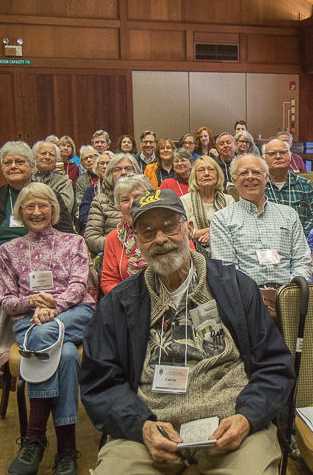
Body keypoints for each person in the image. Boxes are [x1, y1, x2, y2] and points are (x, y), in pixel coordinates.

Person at [80, 188, 295, 475]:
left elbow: (274, 365)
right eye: (147, 231)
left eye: (170, 226)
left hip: (229, 425)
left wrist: (247, 417)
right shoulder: (118, 303)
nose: (160, 239)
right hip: (149, 430)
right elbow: (100, 381)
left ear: (189, 228)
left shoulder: (235, 288)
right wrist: (140, 426)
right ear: (137, 240)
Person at [0, 141, 73, 392]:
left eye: (20, 162)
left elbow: (66, 235)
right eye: (8, 162)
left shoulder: (48, 196)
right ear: (2, 168)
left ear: (32, 166)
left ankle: (31, 346)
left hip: (40, 267)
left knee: (42, 295)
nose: (14, 166)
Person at [0, 183, 94, 475]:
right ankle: (66, 448)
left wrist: (55, 307)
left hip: (74, 313)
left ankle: (35, 437)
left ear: (53, 210)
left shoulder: (74, 242)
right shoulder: (8, 251)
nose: (37, 212)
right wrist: (31, 301)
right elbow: (6, 300)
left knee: (43, 334)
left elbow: (79, 286)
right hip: (31, 319)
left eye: (43, 205)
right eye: (30, 206)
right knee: (63, 356)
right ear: (21, 212)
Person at [211, 154, 312, 286]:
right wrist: (254, 297)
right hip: (246, 299)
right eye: (243, 173)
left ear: (266, 177)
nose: (250, 177)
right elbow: (227, 269)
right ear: (234, 180)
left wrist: (291, 292)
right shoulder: (222, 219)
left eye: (256, 172)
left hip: (289, 294)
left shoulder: (289, 215)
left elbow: (302, 261)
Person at [100, 174, 152, 295]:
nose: (132, 204)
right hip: (129, 302)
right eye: (125, 200)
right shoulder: (114, 238)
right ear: (119, 206)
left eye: (138, 197)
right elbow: (108, 282)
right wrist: (130, 296)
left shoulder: (169, 229)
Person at [84, 153, 142, 256]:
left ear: (136, 172)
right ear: (110, 175)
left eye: (128, 168)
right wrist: (126, 241)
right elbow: (91, 240)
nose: (123, 172)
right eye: (118, 169)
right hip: (113, 255)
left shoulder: (146, 198)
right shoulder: (100, 201)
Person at [262, 138, 313, 237]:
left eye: (282, 152)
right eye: (272, 153)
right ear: (264, 159)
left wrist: (299, 236)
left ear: (290, 157)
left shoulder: (305, 185)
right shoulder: (258, 187)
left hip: (301, 242)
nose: (278, 156)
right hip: (268, 243)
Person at [179, 156, 234, 252]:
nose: (206, 174)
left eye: (211, 170)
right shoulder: (184, 201)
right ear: (194, 176)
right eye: (201, 170)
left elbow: (234, 229)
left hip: (226, 251)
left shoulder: (228, 200)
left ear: (218, 174)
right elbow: (184, 232)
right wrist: (215, 230)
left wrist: (211, 234)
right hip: (194, 253)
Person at [31, 141, 74, 214]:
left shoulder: (63, 182)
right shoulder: (27, 179)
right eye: (43, 153)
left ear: (56, 160)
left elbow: (65, 208)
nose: (47, 157)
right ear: (35, 156)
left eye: (51, 155)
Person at [78, 151, 113, 232]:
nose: (105, 166)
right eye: (102, 163)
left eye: (108, 163)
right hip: (96, 230)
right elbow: (84, 215)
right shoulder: (91, 190)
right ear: (97, 167)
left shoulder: (121, 187)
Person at [74, 146, 100, 211]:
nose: (89, 160)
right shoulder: (81, 180)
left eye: (91, 157)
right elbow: (80, 202)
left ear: (97, 158)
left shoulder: (105, 175)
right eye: (85, 159)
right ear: (82, 163)